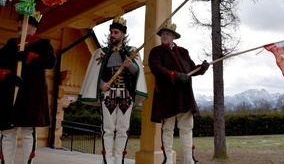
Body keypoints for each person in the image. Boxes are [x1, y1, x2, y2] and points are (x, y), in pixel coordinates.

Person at [79, 16, 146, 164]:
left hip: (125, 95)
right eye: (111, 32)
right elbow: (94, 74)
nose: (112, 35)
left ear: (123, 35)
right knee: (107, 129)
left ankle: (119, 160)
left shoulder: (132, 52)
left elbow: (137, 73)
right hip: (108, 94)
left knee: (123, 129)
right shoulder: (101, 53)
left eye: (116, 32)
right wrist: (101, 84)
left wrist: (130, 65)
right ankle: (107, 161)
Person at [149, 22, 209, 164]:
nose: (164, 36)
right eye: (163, 34)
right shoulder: (156, 52)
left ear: (173, 37)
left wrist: (202, 68)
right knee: (168, 129)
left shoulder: (183, 51)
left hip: (184, 96)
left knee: (187, 129)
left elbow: (192, 69)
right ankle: (168, 160)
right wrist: (174, 75)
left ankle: (189, 160)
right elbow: (156, 68)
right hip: (166, 96)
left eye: (168, 34)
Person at [0, 12, 56, 164]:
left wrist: (29, 56)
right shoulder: (12, 44)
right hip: (11, 93)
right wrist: (8, 75)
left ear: (32, 26)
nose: (18, 25)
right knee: (8, 132)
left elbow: (50, 62)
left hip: (32, 94)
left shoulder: (43, 44)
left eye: (22, 23)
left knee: (27, 132)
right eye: (18, 22)